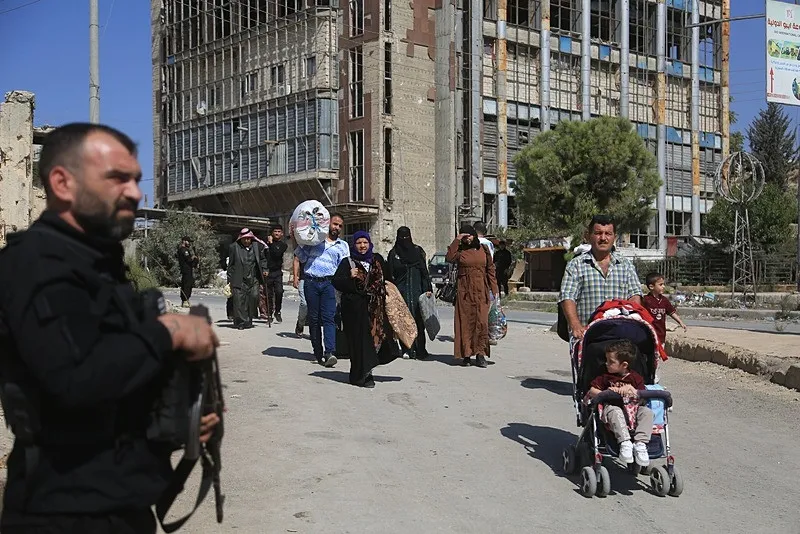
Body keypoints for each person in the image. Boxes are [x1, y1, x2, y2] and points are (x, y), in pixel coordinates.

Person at [0, 122, 220, 533]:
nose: (136, 193)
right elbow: (75, 378)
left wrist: (182, 420)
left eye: (136, 180)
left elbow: (115, 375)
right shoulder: (37, 264)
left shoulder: (96, 265)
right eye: (118, 178)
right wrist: (169, 331)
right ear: (63, 183)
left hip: (119, 504)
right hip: (64, 512)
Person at [559, 215, 643, 340]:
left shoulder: (626, 266)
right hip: (587, 336)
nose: (603, 238)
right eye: (598, 233)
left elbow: (635, 296)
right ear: (588, 236)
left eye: (608, 233)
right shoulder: (576, 265)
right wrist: (575, 325)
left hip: (620, 336)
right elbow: (567, 297)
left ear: (614, 237)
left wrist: (631, 321)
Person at [332, 231, 399, 387]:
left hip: (376, 309)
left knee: (374, 340)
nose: (362, 246)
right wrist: (349, 277)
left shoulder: (377, 260)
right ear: (353, 245)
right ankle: (360, 376)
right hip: (355, 310)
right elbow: (336, 282)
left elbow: (388, 280)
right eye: (359, 243)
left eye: (365, 243)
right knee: (358, 343)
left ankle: (367, 371)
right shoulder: (347, 262)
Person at [585, 340, 654, 467]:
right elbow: (592, 390)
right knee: (615, 411)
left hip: (632, 411)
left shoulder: (635, 378)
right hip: (612, 410)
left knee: (647, 412)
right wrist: (607, 392)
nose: (606, 364)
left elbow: (643, 396)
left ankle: (640, 444)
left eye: (611, 362)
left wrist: (633, 391)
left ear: (624, 365)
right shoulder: (606, 377)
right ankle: (625, 442)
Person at [293, 213, 349, 367]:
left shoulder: (343, 246)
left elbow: (344, 267)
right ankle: (317, 351)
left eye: (340, 226)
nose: (337, 227)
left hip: (329, 284)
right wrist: (296, 276)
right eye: (334, 224)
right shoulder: (314, 239)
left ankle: (330, 352)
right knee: (314, 319)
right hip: (311, 282)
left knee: (329, 318)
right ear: (328, 223)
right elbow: (299, 256)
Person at [446, 224, 499, 368]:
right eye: (464, 237)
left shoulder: (484, 249)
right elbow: (449, 257)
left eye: (468, 236)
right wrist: (457, 240)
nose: (467, 239)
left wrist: (495, 290)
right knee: (466, 323)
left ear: (474, 235)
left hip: (481, 291)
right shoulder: (460, 251)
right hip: (465, 293)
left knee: (482, 323)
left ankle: (481, 354)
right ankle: (467, 355)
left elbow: (490, 270)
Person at [386, 226, 433, 360]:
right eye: (402, 237)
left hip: (417, 290)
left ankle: (420, 349)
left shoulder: (418, 251)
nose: (405, 240)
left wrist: (427, 289)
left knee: (419, 320)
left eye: (407, 237)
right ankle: (407, 348)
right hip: (402, 292)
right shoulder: (394, 254)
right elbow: (390, 274)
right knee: (403, 320)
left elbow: (424, 271)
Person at [227, 228, 266, 329]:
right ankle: (240, 322)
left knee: (254, 297)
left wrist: (265, 269)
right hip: (239, 278)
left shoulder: (257, 247)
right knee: (239, 301)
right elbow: (230, 265)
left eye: (249, 239)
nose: (246, 241)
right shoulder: (234, 247)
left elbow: (263, 259)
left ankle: (249, 319)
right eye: (244, 239)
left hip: (254, 278)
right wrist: (230, 280)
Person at [643, 272, 687, 347]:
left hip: (661, 334)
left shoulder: (664, 300)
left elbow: (671, 312)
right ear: (651, 286)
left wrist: (680, 322)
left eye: (663, 284)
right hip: (649, 334)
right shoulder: (646, 300)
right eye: (660, 285)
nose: (663, 286)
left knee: (659, 354)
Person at [263, 225, 288, 323]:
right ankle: (269, 314)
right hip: (268, 271)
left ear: (281, 233)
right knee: (268, 294)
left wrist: (271, 243)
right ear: (272, 233)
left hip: (277, 272)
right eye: (275, 231)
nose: (277, 233)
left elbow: (276, 254)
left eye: (279, 231)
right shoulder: (265, 244)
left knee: (279, 291)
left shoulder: (282, 245)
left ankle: (277, 310)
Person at [177, 235, 199, 307]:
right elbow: (188, 260)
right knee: (186, 286)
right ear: (184, 241)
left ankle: (185, 300)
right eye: (188, 241)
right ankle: (185, 300)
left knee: (186, 285)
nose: (189, 243)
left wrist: (196, 261)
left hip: (187, 270)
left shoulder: (184, 249)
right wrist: (193, 257)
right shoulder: (183, 250)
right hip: (186, 270)